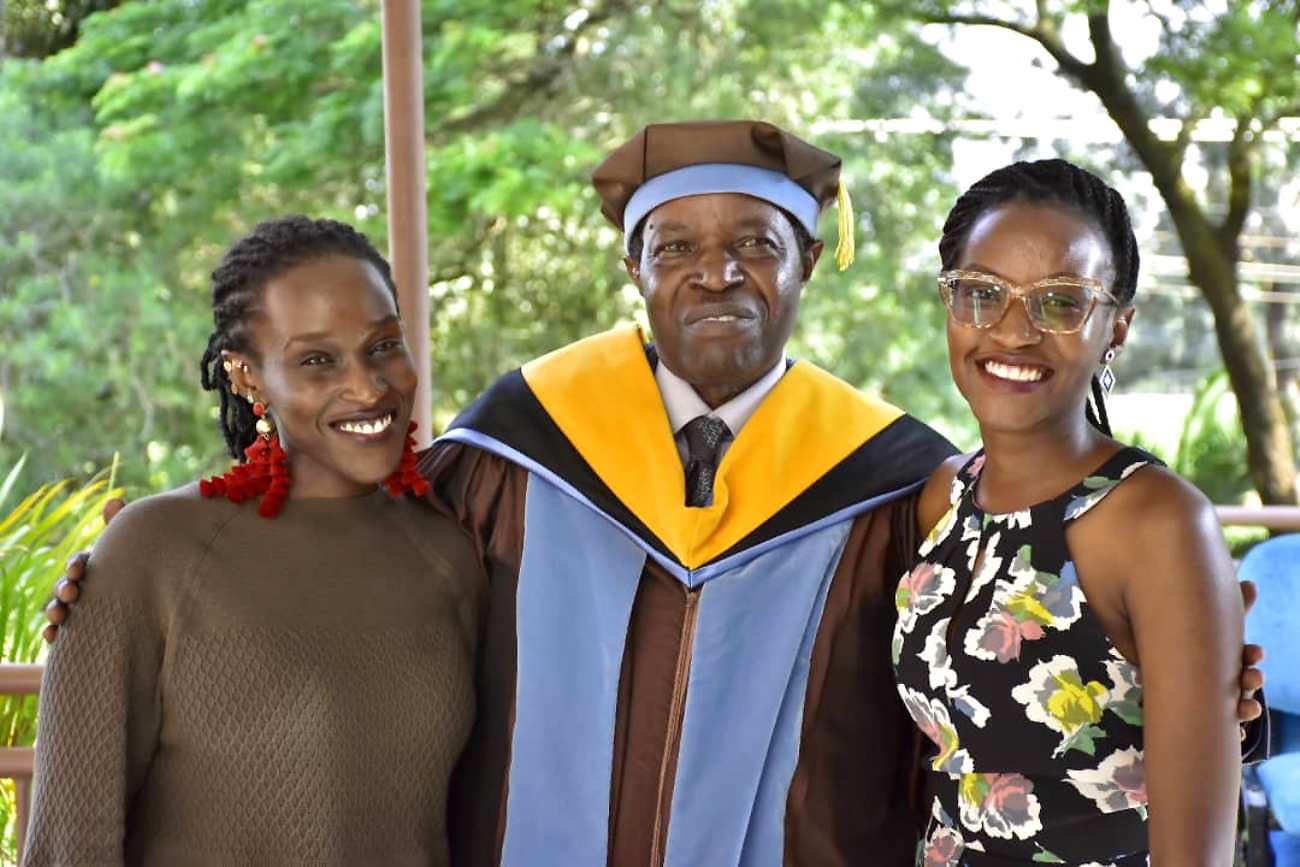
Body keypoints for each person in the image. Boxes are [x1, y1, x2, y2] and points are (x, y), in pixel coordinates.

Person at [45, 124, 1267, 865]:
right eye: (675, 245)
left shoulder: (902, 485)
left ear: (803, 271)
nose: (716, 271)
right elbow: (334, 525)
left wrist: (1209, 675)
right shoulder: (508, 452)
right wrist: (152, 549)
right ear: (631, 268)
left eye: (757, 242)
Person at [24, 217, 484, 866]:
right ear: (247, 377)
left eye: (383, 346)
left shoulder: (451, 557)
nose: (368, 385)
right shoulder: (152, 551)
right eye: (318, 360)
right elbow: (69, 847)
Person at [896, 159, 1243, 865]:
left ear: (1116, 328)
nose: (1014, 331)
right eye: (981, 293)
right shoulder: (943, 497)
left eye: (1060, 301)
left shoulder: (1157, 522)